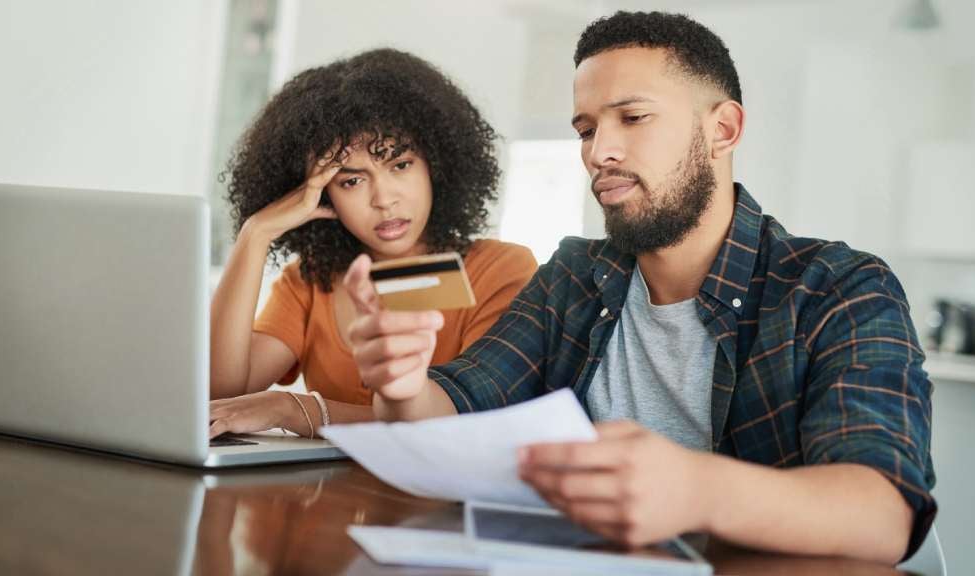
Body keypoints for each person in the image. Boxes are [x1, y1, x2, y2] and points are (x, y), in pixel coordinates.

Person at [342, 12, 936, 565]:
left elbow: (883, 512)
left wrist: (696, 489)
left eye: (633, 117)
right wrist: (401, 386)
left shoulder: (838, 288)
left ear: (722, 129)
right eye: (586, 129)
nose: (599, 152)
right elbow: (456, 402)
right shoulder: (573, 276)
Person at [208, 49, 537, 438]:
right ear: (323, 194)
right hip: (325, 496)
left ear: (437, 163)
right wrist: (255, 235)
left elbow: (474, 422)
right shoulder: (311, 281)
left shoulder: (500, 270)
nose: (384, 199)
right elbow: (220, 395)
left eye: (400, 165)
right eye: (352, 181)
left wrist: (296, 409)